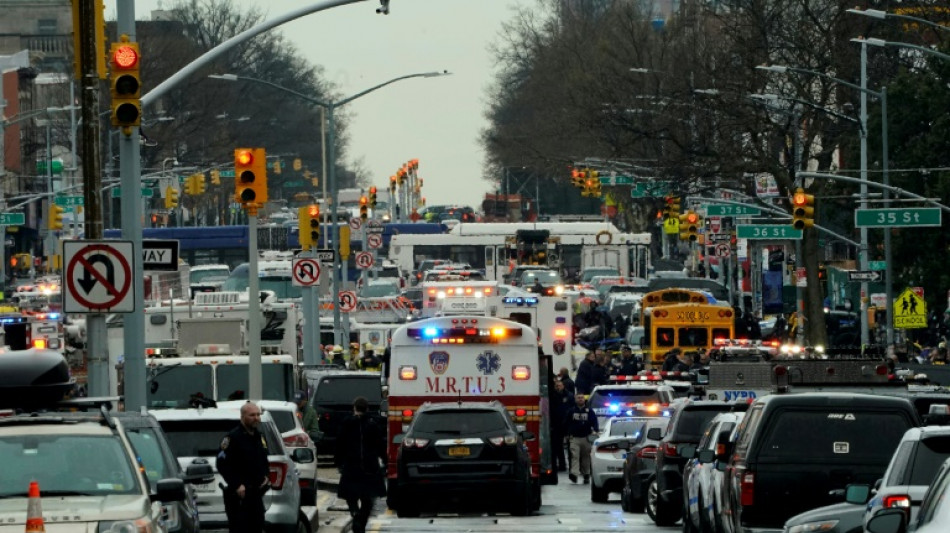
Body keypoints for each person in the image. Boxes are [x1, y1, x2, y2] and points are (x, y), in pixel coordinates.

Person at [217, 402, 270, 533]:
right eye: (252, 415)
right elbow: (222, 463)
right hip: (239, 496)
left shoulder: (259, 436)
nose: (256, 418)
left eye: (258, 415)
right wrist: (236, 484)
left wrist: (266, 476)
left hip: (256, 493)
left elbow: (263, 460)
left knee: (257, 526)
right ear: (243, 416)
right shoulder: (233, 437)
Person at [336, 397, 386, 533]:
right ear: (367, 409)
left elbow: (339, 444)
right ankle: (361, 522)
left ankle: (354, 512)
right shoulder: (373, 424)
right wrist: (385, 461)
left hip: (351, 466)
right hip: (369, 468)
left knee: (350, 495)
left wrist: (339, 462)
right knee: (367, 500)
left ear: (354, 408)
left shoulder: (346, 423)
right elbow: (380, 445)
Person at [563, 392, 599, 484]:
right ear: (575, 399)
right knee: (575, 456)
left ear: (584, 399)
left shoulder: (589, 411)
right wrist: (566, 434)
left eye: (582, 398)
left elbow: (594, 422)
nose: (580, 399)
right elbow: (566, 423)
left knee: (586, 457)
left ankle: (586, 474)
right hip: (574, 438)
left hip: (586, 438)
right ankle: (574, 474)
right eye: (578, 398)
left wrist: (595, 430)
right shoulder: (571, 411)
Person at [550, 380, 573, 472]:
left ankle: (572, 465)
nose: (558, 387)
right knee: (557, 446)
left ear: (563, 386)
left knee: (571, 445)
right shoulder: (553, 396)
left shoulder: (569, 396)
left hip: (568, 424)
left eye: (559, 385)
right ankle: (560, 465)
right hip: (557, 424)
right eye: (556, 385)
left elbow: (572, 408)